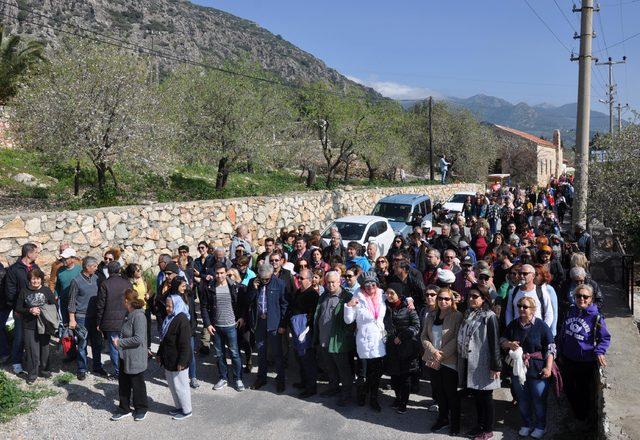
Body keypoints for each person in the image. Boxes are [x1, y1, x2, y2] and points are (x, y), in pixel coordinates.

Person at [501, 296, 555, 439]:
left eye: (525, 306)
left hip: (537, 369)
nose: (521, 309)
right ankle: (526, 424)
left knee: (538, 399)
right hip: (518, 368)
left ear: (533, 309)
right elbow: (502, 340)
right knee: (522, 399)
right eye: (519, 306)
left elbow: (551, 348)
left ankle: (540, 426)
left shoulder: (541, 326)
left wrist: (548, 368)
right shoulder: (513, 324)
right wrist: (509, 344)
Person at [559, 284, 610, 430]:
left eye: (585, 296)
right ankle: (578, 415)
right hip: (568, 358)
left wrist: (600, 351)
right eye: (578, 296)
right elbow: (564, 331)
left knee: (583, 391)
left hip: (585, 361)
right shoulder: (570, 311)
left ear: (591, 299)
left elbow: (605, 338)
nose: (581, 299)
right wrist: (560, 349)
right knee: (568, 389)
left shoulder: (596, 317)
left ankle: (582, 419)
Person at [457, 285, 501, 440]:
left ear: (484, 299)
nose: (471, 299)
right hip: (471, 360)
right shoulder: (470, 313)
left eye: (475, 296)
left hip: (485, 362)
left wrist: (495, 366)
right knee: (477, 395)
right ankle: (480, 425)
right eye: (469, 296)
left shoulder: (490, 316)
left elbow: (495, 342)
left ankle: (488, 429)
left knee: (486, 397)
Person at [421, 287, 463, 435]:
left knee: (450, 393)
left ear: (452, 301)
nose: (443, 301)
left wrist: (441, 355)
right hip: (432, 358)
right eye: (440, 298)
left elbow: (457, 338)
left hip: (448, 360)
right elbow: (424, 336)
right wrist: (433, 352)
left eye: (447, 299)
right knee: (438, 392)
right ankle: (443, 418)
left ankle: (455, 423)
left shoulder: (457, 316)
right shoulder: (431, 315)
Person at [344, 271, 387, 412]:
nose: (370, 287)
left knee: (376, 372)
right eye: (366, 285)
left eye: (373, 284)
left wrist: (408, 301)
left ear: (377, 284)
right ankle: (361, 394)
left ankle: (373, 398)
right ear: (362, 286)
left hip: (379, 339)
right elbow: (348, 320)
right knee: (362, 372)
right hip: (364, 339)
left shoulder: (382, 296)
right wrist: (349, 306)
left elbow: (397, 298)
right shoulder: (357, 297)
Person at [201, 263, 246, 392]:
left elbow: (242, 304)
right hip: (216, 327)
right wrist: (208, 324)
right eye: (217, 273)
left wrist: (242, 317)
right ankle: (223, 378)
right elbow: (203, 307)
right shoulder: (209, 287)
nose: (219, 275)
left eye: (222, 273)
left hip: (232, 326)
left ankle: (238, 378)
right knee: (219, 354)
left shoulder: (235, 286)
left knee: (234, 353)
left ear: (226, 273)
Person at [313, 271, 355, 407]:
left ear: (339, 282)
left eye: (333, 282)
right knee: (329, 367)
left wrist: (345, 336)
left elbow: (352, 322)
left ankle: (346, 394)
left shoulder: (347, 297)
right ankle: (333, 387)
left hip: (338, 341)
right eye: (328, 282)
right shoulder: (323, 296)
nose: (330, 285)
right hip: (323, 339)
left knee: (343, 369)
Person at [247, 263, 288, 392]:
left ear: (271, 275)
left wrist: (282, 324)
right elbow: (248, 301)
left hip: (274, 323)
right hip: (259, 322)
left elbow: (285, 305)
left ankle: (280, 379)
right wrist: (254, 289)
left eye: (267, 279)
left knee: (277, 353)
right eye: (262, 278)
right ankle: (261, 378)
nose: (264, 281)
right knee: (261, 352)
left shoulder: (280, 284)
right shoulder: (253, 283)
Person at [110, 289, 148, 421]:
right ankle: (124, 408)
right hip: (125, 356)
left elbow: (139, 339)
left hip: (135, 357)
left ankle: (141, 408)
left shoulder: (139, 316)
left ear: (126, 301)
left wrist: (119, 342)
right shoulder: (129, 313)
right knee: (124, 383)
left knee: (137, 384)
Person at [3, 242, 40, 376]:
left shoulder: (35, 266)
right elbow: (10, 291)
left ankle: (33, 361)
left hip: (35, 309)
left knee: (33, 337)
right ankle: (16, 362)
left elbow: (40, 284)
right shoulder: (14, 269)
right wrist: (19, 307)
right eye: (36, 252)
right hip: (20, 310)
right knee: (19, 337)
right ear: (29, 253)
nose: (37, 254)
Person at [383, 283, 420, 414]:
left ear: (399, 294)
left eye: (392, 293)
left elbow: (416, 326)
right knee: (394, 376)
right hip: (391, 347)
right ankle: (397, 398)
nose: (389, 295)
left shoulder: (408, 308)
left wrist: (402, 336)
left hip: (406, 347)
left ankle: (404, 402)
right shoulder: (385, 306)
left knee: (405, 377)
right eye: (387, 293)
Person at [14, 268, 56, 384]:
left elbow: (54, 304)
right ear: (29, 280)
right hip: (29, 325)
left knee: (45, 348)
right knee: (32, 351)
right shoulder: (24, 291)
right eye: (33, 279)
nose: (35, 281)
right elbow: (18, 308)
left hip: (45, 324)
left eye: (38, 278)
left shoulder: (46, 290)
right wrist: (30, 310)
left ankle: (46, 371)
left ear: (41, 279)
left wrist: (43, 310)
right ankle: (32, 375)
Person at [68, 256, 107, 380]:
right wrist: (72, 319)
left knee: (97, 343)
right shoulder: (76, 281)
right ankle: (82, 369)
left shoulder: (96, 278)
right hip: (81, 317)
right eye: (94, 266)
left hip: (95, 316)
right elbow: (72, 301)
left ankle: (97, 366)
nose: (96, 268)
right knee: (82, 343)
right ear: (87, 267)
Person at [157, 293, 194, 420]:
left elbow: (185, 344)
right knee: (173, 386)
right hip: (169, 359)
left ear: (176, 305)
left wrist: (182, 362)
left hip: (179, 361)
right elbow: (164, 339)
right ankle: (179, 407)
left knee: (181, 386)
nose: (167, 308)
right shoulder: (169, 319)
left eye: (169, 306)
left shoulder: (182, 319)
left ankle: (187, 410)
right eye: (166, 306)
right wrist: (159, 354)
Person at [286, 268, 319, 398]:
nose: (299, 280)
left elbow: (313, 316)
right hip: (296, 329)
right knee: (300, 358)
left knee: (307, 359)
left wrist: (306, 331)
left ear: (310, 280)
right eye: (298, 278)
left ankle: (311, 387)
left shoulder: (313, 294)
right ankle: (304, 382)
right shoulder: (299, 292)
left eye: (302, 278)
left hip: (305, 331)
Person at [96, 261, 133, 377]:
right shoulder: (127, 283)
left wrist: (98, 322)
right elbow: (132, 301)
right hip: (126, 318)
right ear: (119, 270)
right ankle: (128, 369)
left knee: (114, 346)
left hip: (110, 320)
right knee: (126, 345)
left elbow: (100, 305)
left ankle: (118, 372)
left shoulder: (105, 284)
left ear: (108, 271)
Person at [505, 264, 554, 331]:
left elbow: (549, 313)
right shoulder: (513, 292)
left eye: (525, 274)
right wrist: (510, 328)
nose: (521, 276)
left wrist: (542, 331)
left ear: (533, 276)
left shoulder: (542, 292)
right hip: (517, 332)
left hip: (536, 332)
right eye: (520, 273)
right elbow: (509, 311)